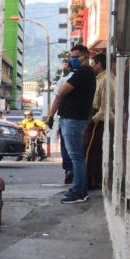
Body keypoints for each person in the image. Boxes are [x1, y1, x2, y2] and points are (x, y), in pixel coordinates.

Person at [46, 44, 96, 203]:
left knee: (76, 156)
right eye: (71, 57)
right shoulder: (81, 73)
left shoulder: (84, 72)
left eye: (76, 57)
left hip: (74, 120)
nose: (72, 60)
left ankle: (80, 191)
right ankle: (78, 188)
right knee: (75, 155)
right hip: (72, 119)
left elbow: (62, 91)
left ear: (85, 57)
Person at [85, 52, 108, 190]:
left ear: (99, 65)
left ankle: (91, 181)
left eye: (93, 64)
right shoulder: (98, 79)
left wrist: (93, 120)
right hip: (94, 116)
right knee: (90, 151)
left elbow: (105, 107)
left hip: (98, 120)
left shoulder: (105, 80)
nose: (92, 66)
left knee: (90, 152)